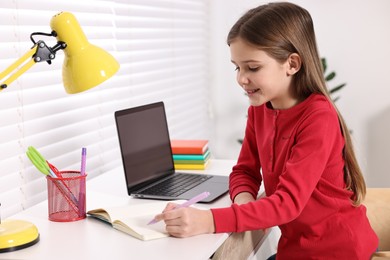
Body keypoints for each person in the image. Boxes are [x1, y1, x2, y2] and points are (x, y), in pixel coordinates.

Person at [153, 2, 379, 259]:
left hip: (338, 251)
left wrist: (208, 221)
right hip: (296, 250)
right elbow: (245, 171)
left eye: (253, 67)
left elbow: (288, 203)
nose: (241, 78)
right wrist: (245, 204)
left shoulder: (319, 117)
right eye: (237, 67)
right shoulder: (260, 108)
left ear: (292, 64)